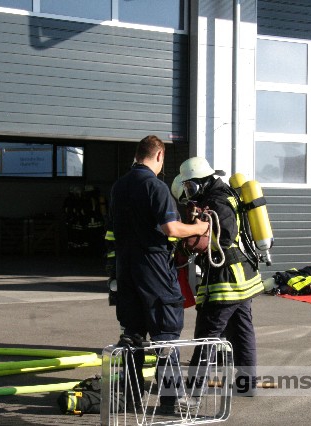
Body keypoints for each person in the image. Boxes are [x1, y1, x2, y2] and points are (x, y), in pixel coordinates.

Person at [109, 135, 209, 413]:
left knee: (132, 336)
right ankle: (169, 401)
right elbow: (171, 229)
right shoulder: (155, 186)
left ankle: (132, 398)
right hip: (154, 268)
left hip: (125, 268)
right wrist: (200, 228)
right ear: (159, 156)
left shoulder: (119, 186)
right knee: (166, 335)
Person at [178, 157, 265, 397]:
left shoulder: (217, 201)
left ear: (201, 181)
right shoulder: (223, 195)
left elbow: (225, 238)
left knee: (206, 335)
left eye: (189, 186)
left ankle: (195, 390)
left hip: (226, 280)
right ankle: (247, 385)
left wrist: (196, 236)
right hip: (242, 279)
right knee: (242, 332)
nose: (189, 191)